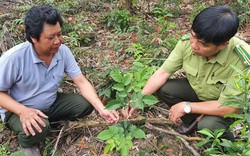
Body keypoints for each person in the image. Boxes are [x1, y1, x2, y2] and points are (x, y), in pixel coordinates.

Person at [0, 4, 119, 156]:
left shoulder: (62, 52)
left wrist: (102, 109)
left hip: (50, 103)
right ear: (34, 38)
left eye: (59, 34)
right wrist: (22, 111)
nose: (58, 41)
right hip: (18, 109)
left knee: (85, 104)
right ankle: (28, 142)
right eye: (51, 37)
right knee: (40, 127)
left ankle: (46, 122)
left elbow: (81, 81)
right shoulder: (13, 59)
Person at [122, 5, 249, 141]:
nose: (194, 45)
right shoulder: (186, 43)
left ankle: (227, 146)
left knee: (209, 126)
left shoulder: (242, 60)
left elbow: (230, 108)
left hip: (224, 105)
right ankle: (195, 121)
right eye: (193, 36)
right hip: (199, 92)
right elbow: (162, 73)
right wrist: (137, 99)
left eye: (203, 44)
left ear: (223, 44)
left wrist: (187, 107)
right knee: (165, 89)